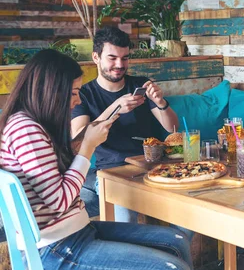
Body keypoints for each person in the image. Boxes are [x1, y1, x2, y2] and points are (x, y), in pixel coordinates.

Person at [0, 49, 192, 270]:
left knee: (177, 242)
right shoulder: (26, 130)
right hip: (56, 248)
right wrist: (88, 146)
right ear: (49, 91)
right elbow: (59, 201)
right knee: (171, 266)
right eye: (73, 93)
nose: (78, 100)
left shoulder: (36, 123)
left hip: (77, 232)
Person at [71, 27, 179, 222]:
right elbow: (78, 138)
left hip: (152, 165)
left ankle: (169, 249)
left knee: (186, 217)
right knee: (125, 219)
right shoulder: (84, 94)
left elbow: (172, 129)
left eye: (125, 58)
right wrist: (115, 108)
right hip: (112, 172)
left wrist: (161, 103)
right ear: (96, 57)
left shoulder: (140, 85)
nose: (120, 64)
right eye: (112, 58)